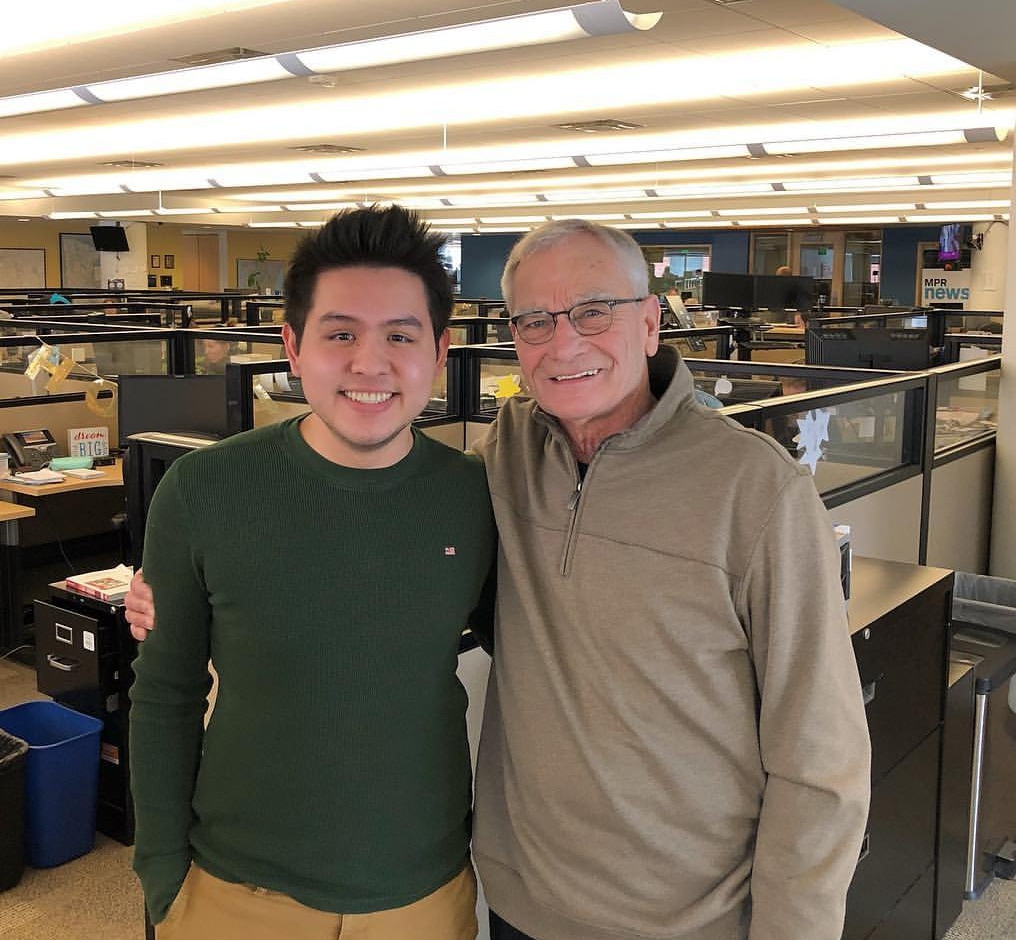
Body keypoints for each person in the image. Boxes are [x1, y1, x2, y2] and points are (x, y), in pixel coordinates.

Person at [129, 218, 870, 940]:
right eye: (536, 320)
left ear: (650, 322)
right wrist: (161, 875)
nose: (565, 341)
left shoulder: (755, 491)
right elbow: (186, 681)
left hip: (679, 916)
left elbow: (822, 758)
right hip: (514, 896)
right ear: (293, 346)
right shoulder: (500, 462)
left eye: (593, 311)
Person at [128, 205, 496, 940]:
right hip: (234, 890)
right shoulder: (202, 491)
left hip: (421, 894)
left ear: (440, 349)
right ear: (293, 347)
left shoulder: (476, 497)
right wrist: (162, 879)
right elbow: (164, 696)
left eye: (400, 334)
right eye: (340, 334)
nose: (370, 362)